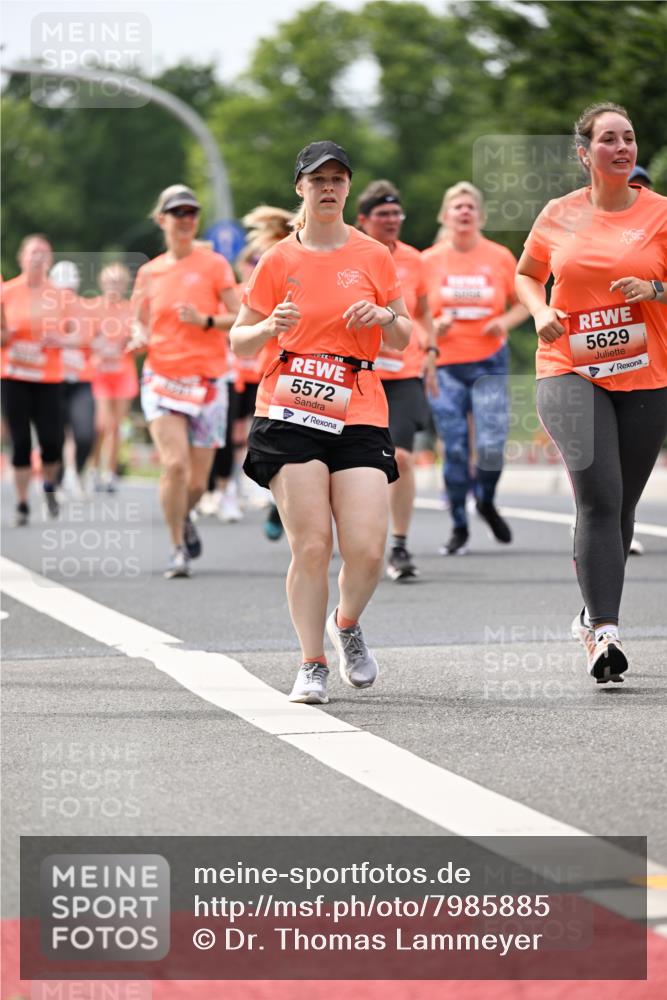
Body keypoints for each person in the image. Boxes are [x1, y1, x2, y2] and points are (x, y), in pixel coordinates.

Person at [231, 141, 411, 704]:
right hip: (290, 406)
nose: (328, 188)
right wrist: (267, 329)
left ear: (348, 188)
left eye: (337, 179)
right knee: (311, 545)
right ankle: (312, 663)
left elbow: (404, 334)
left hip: (357, 404)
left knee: (367, 549)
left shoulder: (374, 255)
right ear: (300, 190)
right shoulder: (279, 260)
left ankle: (347, 623)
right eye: (317, 180)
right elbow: (239, 339)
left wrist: (384, 316)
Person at [515, 102, 667, 683]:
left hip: (646, 371)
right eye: (609, 139)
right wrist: (538, 310)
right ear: (585, 154)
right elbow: (526, 274)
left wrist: (653, 288)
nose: (623, 147)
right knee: (600, 495)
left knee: (622, 503)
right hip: (568, 369)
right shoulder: (559, 215)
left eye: (629, 138)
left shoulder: (658, 214)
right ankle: (605, 631)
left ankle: (588, 611)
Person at [132, 185, 240, 578]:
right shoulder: (149, 272)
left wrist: (205, 321)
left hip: (208, 381)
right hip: (161, 376)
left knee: (197, 481)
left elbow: (240, 316)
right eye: (177, 212)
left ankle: (187, 513)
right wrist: (136, 337)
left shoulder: (213, 265)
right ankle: (177, 546)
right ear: (162, 219)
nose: (186, 219)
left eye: (192, 212)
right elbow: (138, 322)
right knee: (174, 465)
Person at [422, 183, 529, 554]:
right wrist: (433, 327)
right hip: (446, 366)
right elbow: (412, 316)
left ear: (480, 216)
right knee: (453, 448)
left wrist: (505, 322)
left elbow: (526, 301)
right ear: (444, 216)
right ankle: (458, 525)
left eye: (470, 206)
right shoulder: (429, 261)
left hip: (489, 362)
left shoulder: (500, 257)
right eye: (456, 207)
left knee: (491, 446)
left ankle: (485, 499)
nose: (464, 212)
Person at [356, 179, 438, 580]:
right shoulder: (350, 254)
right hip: (355, 372)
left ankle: (400, 546)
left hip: (404, 372)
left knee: (402, 458)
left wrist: (433, 352)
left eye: (396, 214)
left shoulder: (415, 260)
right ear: (364, 220)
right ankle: (355, 539)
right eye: (383, 215)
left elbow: (422, 313)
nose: (391, 221)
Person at [1, 235, 68, 524]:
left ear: (50, 260)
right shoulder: (6, 292)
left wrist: (62, 337)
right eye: (33, 252)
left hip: (48, 377)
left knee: (52, 442)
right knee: (21, 442)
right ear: (22, 258)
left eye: (44, 252)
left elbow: (78, 334)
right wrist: (6, 336)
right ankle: (22, 503)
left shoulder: (60, 296)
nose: (38, 257)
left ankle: (50, 487)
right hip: (13, 375)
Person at [89, 263, 139, 492]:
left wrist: (127, 344)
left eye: (119, 282)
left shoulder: (130, 310)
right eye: (110, 281)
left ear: (125, 285)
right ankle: (92, 469)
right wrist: (97, 344)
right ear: (102, 283)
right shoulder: (93, 308)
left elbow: (139, 344)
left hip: (123, 374)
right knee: (100, 425)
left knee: (116, 426)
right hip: (100, 373)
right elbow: (83, 339)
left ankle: (110, 474)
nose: (114, 286)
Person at [49, 260, 96, 497]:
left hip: (80, 379)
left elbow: (86, 338)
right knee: (55, 434)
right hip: (53, 380)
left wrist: (60, 340)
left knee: (85, 433)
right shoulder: (46, 308)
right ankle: (56, 479)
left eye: (69, 288)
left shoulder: (84, 308)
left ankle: (75, 471)